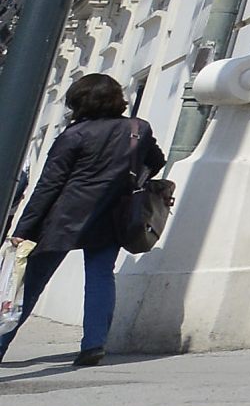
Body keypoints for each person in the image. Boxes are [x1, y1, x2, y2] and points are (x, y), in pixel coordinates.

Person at [3, 73, 160, 370]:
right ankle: (93, 345)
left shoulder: (73, 136)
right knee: (100, 277)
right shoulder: (137, 129)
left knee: (32, 283)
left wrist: (23, 229)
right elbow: (156, 160)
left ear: (79, 102)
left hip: (64, 217)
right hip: (113, 213)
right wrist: (124, 181)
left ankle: (1, 343)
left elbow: (49, 185)